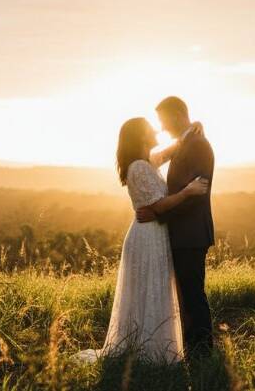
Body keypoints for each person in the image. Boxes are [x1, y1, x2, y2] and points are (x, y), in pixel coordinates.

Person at [75, 117, 208, 364]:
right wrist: (188, 191)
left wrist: (192, 128)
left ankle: (153, 345)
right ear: (140, 136)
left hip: (155, 233)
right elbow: (158, 205)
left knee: (154, 288)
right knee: (150, 288)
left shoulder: (147, 162)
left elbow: (171, 151)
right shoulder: (138, 167)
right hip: (147, 236)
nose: (156, 130)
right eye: (150, 128)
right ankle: (149, 352)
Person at [136, 96, 215, 357]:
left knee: (193, 294)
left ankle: (202, 353)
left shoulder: (199, 145)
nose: (162, 127)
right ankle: (191, 348)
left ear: (178, 115)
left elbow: (197, 194)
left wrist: (160, 215)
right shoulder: (187, 142)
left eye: (163, 120)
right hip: (182, 233)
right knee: (186, 294)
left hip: (191, 233)